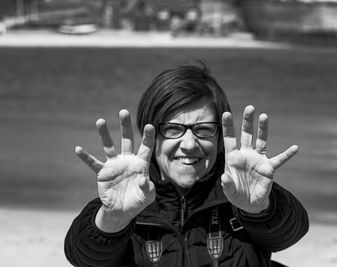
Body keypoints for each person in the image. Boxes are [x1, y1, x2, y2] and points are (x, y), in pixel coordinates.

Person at [64, 63, 309, 267]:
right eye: (173, 129)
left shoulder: (240, 186)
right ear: (151, 135)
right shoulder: (128, 192)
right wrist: (114, 219)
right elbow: (82, 256)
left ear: (220, 137)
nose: (189, 144)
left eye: (203, 129)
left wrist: (259, 208)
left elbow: (289, 233)